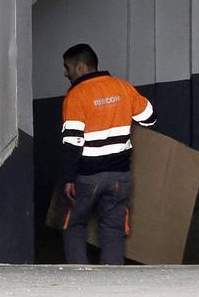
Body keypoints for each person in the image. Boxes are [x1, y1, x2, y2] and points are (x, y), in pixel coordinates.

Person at [58, 43, 156, 265]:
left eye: (67, 67)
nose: (65, 73)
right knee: (113, 228)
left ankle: (79, 282)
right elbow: (150, 118)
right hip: (119, 176)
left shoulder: (76, 96)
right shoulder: (123, 88)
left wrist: (68, 178)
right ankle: (112, 283)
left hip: (87, 176)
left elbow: (73, 141)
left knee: (74, 225)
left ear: (81, 67)